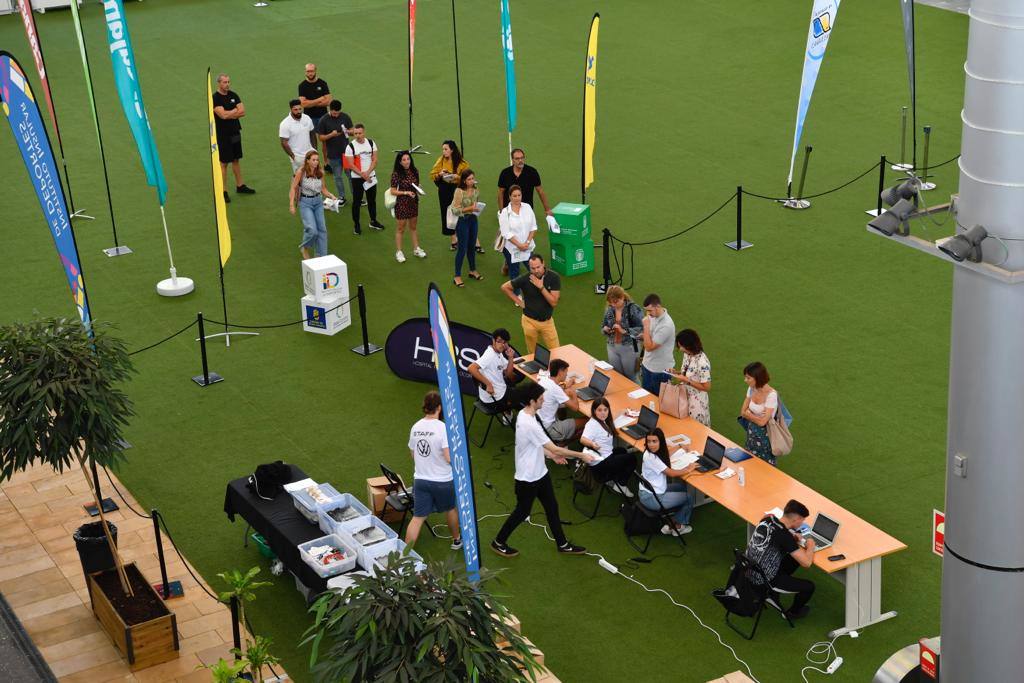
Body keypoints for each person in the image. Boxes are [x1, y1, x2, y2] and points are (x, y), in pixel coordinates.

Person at [491, 382, 592, 558]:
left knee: (552, 507)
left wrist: (551, 456)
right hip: (528, 478)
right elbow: (556, 448)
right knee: (522, 512)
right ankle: (499, 542)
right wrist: (581, 455)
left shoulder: (527, 415)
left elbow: (537, 445)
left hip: (540, 473)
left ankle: (562, 544)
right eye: (540, 398)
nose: (544, 400)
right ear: (532, 401)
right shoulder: (529, 423)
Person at [404, 391, 461, 549]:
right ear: (439, 407)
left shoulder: (416, 427)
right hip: (443, 481)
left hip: (420, 480)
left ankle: (404, 555)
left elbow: (413, 454)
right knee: (450, 509)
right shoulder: (443, 428)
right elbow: (448, 458)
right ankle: (456, 540)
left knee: (417, 518)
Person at [745, 499, 816, 619]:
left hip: (748, 570)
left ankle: (773, 592)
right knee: (809, 587)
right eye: (802, 520)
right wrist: (811, 546)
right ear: (796, 519)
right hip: (763, 581)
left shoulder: (768, 519)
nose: (802, 523)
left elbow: (777, 534)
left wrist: (791, 537)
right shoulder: (785, 537)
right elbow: (807, 563)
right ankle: (792, 613)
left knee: (794, 560)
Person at [497, 148, 552, 275]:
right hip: (511, 214)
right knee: (510, 239)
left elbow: (540, 191)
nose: (520, 160)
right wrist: (501, 211)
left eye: (522, 158)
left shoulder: (532, 172)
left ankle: (530, 265)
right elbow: (500, 193)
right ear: (512, 160)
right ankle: (510, 262)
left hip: (526, 213)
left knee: (525, 236)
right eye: (517, 158)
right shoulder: (505, 173)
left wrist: (547, 209)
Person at [638, 427, 696, 536]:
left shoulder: (651, 453)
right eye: (649, 441)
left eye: (654, 441)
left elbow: (665, 454)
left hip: (649, 492)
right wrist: (688, 469)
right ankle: (677, 526)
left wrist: (679, 446)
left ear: (660, 441)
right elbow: (671, 473)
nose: (651, 444)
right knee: (689, 498)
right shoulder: (651, 457)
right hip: (653, 499)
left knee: (681, 487)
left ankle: (673, 520)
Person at [501, 254, 560, 354]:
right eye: (533, 268)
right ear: (529, 267)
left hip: (547, 322)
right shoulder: (525, 278)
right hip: (529, 321)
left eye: (538, 267)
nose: (536, 270)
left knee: (557, 351)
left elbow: (553, 302)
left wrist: (541, 287)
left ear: (543, 264)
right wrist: (520, 302)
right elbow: (505, 287)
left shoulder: (554, 277)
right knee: (532, 353)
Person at [578, 397, 635, 496]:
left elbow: (611, 417)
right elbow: (582, 439)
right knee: (633, 459)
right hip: (601, 466)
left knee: (622, 450)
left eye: (605, 410)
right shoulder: (592, 425)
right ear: (594, 411)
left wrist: (623, 411)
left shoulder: (602, 420)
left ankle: (618, 475)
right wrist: (592, 444)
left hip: (605, 456)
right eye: (599, 410)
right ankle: (621, 484)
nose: (603, 413)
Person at [211, 74, 254, 204]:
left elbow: (242, 112)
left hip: (235, 132)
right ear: (219, 83)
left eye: (228, 82)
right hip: (222, 134)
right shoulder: (215, 98)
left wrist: (229, 113)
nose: (227, 84)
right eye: (224, 82)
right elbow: (222, 116)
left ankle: (240, 185)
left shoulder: (233, 95)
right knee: (224, 163)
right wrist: (234, 111)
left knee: (236, 159)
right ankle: (223, 191)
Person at [467, 328, 527, 421]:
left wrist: (511, 357)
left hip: (490, 395)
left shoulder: (498, 353)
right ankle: (522, 419)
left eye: (504, 342)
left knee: (511, 385)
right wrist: (488, 384)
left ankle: (508, 413)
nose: (502, 345)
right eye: (499, 341)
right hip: (494, 399)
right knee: (525, 396)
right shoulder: (490, 355)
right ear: (493, 340)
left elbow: (508, 374)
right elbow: (471, 368)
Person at [288, 150, 337, 259]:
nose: (316, 162)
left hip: (318, 202)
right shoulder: (301, 172)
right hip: (305, 203)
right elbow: (293, 188)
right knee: (312, 230)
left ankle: (321, 256)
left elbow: (323, 189)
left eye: (317, 160)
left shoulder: (320, 172)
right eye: (313, 160)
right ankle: (304, 247)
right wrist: (291, 204)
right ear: (307, 160)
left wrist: (331, 195)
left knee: (322, 230)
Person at [343, 124, 385, 235]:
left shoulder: (371, 143)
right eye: (355, 133)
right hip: (357, 178)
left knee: (372, 200)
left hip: (370, 176)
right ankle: (356, 225)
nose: (358, 135)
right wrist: (363, 175)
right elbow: (351, 165)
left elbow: (375, 160)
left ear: (364, 132)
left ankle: (373, 221)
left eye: (360, 133)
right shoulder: (350, 147)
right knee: (356, 202)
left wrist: (368, 173)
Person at [429, 140, 471, 251]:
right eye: (443, 149)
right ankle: (453, 239)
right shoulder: (441, 160)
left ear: (452, 150)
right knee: (447, 212)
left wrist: (457, 177)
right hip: (445, 189)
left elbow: (468, 177)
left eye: (446, 149)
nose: (443, 151)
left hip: (458, 189)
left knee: (461, 211)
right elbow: (432, 174)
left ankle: (464, 235)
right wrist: (440, 174)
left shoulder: (462, 163)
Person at [668, 329, 712, 426]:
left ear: (689, 345)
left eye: (681, 346)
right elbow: (689, 372)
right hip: (684, 396)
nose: (680, 349)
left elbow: (707, 387)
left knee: (695, 428)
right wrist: (676, 372)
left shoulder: (702, 363)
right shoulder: (687, 354)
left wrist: (687, 381)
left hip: (697, 402)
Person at [536, 359, 586, 443]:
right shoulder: (555, 389)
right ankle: (563, 443)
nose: (566, 374)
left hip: (539, 424)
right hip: (550, 429)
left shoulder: (543, 380)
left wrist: (565, 386)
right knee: (587, 421)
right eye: (566, 372)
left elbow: (553, 391)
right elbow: (575, 408)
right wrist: (574, 393)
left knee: (562, 406)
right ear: (560, 372)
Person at [600, 286, 644, 380]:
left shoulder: (633, 308)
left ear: (622, 297)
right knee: (617, 376)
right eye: (610, 302)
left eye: (615, 302)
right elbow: (603, 325)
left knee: (631, 378)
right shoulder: (609, 309)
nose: (613, 304)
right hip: (612, 347)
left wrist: (624, 331)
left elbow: (641, 328)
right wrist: (605, 329)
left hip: (630, 347)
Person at [739, 361, 778, 464]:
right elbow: (742, 412)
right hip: (751, 434)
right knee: (749, 462)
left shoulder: (771, 395)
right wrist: (755, 417)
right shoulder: (751, 389)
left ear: (757, 378)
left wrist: (749, 414)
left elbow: (762, 422)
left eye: (748, 378)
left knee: (765, 466)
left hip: (766, 438)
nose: (745, 380)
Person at [389, 151, 425, 263]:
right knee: (401, 228)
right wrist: (405, 193)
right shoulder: (396, 174)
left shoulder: (415, 171)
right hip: (401, 204)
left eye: (408, 159)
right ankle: (399, 252)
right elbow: (393, 191)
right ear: (399, 162)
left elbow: (416, 185)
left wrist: (419, 189)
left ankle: (416, 249)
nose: (406, 162)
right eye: (404, 160)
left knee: (413, 227)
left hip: (413, 202)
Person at [450, 169, 483, 288]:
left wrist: (477, 208)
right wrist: (470, 209)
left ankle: (472, 270)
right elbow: (455, 210)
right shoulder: (459, 191)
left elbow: (475, 204)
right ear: (464, 180)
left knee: (472, 246)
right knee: (462, 249)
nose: (471, 181)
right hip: (462, 221)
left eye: (473, 178)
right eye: (469, 179)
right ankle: (457, 276)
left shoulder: (476, 190)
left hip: (473, 220)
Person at [498, 185, 537, 285]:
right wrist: (519, 245)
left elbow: (533, 227)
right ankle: (516, 292)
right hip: (512, 249)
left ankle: (538, 289)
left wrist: (527, 243)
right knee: (514, 273)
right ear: (509, 197)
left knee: (534, 269)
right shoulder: (505, 212)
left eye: (519, 195)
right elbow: (506, 233)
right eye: (514, 196)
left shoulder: (527, 207)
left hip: (527, 247)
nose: (517, 198)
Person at [316, 100, 353, 206]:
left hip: (347, 154)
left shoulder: (345, 117)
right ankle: (342, 197)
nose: (336, 115)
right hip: (333, 155)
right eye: (334, 113)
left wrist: (348, 131)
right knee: (338, 177)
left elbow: (352, 131)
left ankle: (357, 197)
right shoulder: (323, 120)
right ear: (330, 109)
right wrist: (331, 135)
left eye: (338, 113)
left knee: (351, 175)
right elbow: (321, 138)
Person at [639, 293, 676, 395]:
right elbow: (649, 337)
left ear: (658, 306)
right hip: (647, 366)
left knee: (660, 402)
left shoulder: (666, 325)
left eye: (650, 310)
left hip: (660, 371)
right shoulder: (651, 316)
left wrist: (646, 327)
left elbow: (649, 347)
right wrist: (643, 335)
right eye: (646, 310)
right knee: (646, 399)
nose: (648, 313)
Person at [298, 63, 332, 165]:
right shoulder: (302, 86)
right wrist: (319, 99)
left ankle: (326, 163)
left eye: (312, 71)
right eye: (308, 71)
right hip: (309, 118)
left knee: (325, 141)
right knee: (312, 142)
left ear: (315, 71)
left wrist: (310, 103)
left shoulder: (322, 83)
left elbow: (328, 101)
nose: (310, 73)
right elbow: (303, 104)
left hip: (323, 116)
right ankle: (314, 163)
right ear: (305, 72)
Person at [279, 99, 314, 175]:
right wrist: (293, 156)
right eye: (295, 110)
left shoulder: (307, 118)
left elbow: (312, 133)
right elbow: (283, 142)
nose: (298, 111)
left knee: (314, 176)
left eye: (300, 109)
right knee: (299, 178)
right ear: (291, 109)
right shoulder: (285, 124)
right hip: (297, 156)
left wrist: (314, 149)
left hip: (310, 153)